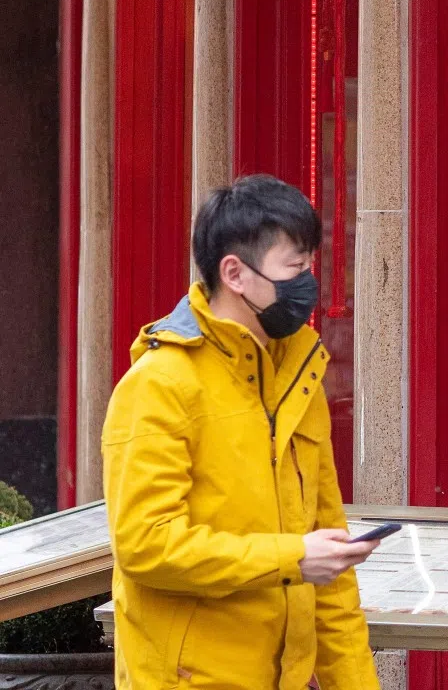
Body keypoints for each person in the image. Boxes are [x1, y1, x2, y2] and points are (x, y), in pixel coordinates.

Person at [102, 175, 381, 690]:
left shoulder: (299, 376)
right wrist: (292, 557)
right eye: (294, 267)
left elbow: (333, 579)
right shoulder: (159, 384)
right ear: (234, 273)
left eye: (309, 267)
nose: (308, 284)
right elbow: (145, 545)